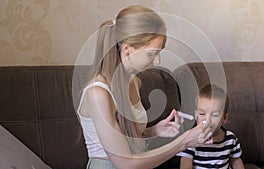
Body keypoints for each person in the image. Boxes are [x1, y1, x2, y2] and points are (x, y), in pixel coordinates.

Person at [76, 5, 213, 169]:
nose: (157, 61)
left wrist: (154, 131)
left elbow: (126, 137)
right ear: (127, 49)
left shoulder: (133, 82)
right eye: (152, 53)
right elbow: (126, 163)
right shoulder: (98, 93)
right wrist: (183, 142)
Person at [177, 84, 245, 169]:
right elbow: (185, 165)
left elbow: (236, 161)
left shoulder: (230, 139)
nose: (208, 120)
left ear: (224, 118)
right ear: (195, 115)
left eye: (215, 115)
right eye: (202, 114)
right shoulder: (191, 140)